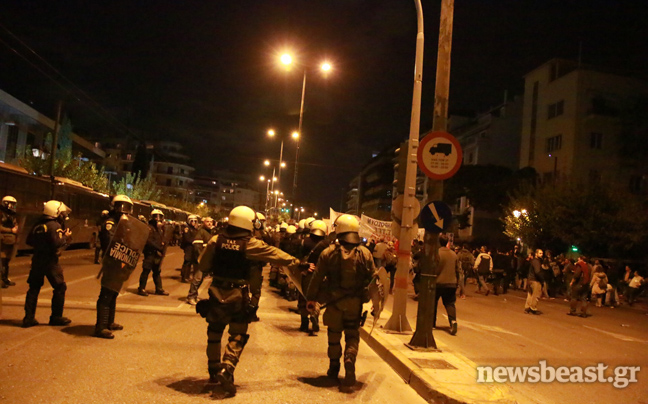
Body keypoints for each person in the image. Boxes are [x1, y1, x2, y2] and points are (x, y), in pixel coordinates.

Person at [196, 205, 306, 396]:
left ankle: (213, 371)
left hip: (216, 291)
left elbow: (202, 264)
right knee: (237, 334)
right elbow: (275, 254)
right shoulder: (250, 244)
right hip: (237, 294)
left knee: (214, 332)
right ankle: (227, 368)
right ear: (248, 223)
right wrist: (297, 263)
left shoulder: (216, 240)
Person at [305, 214, 378, 387]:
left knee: (334, 336)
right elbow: (374, 280)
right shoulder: (365, 253)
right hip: (355, 304)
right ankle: (350, 358)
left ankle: (333, 370)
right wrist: (375, 304)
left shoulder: (328, 253)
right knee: (352, 334)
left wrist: (311, 299)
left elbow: (316, 278)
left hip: (334, 303)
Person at [23, 200, 72, 328]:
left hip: (37, 259)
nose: (63, 215)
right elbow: (57, 243)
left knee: (34, 288)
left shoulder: (38, 225)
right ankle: (56, 316)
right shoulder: (54, 226)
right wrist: (65, 237)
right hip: (50, 261)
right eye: (61, 213)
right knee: (60, 287)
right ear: (55, 212)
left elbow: (29, 241)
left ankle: (28, 318)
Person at [95, 195, 135, 339]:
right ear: (114, 207)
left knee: (113, 293)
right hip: (112, 262)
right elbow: (110, 241)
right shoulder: (110, 222)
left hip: (120, 262)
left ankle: (109, 322)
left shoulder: (122, 223)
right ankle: (100, 327)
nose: (123, 211)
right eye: (120, 206)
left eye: (126, 208)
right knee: (106, 294)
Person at [296, 219, 329, 334]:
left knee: (303, 297)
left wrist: (304, 266)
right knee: (317, 297)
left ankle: (304, 323)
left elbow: (298, 258)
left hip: (307, 273)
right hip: (321, 275)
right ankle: (315, 315)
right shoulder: (327, 244)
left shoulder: (304, 242)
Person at [137, 209, 169, 296]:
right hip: (150, 253)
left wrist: (163, 248)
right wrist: (159, 248)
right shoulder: (149, 227)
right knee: (146, 271)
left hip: (157, 254)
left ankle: (159, 288)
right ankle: (141, 288)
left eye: (160, 217)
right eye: (156, 216)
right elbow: (149, 241)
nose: (158, 219)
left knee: (157, 272)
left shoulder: (160, 229)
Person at [186, 216, 217, 305]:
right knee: (197, 278)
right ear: (204, 222)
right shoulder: (201, 232)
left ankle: (194, 296)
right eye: (207, 222)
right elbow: (197, 247)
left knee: (201, 278)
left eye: (211, 222)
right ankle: (191, 297)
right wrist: (200, 259)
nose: (210, 223)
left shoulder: (210, 232)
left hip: (206, 259)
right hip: (201, 259)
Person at [434, 233, 459, 335]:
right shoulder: (454, 254)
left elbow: (435, 269)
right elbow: (457, 270)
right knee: (450, 303)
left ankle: (431, 323)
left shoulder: (437, 253)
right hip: (451, 283)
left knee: (433, 302)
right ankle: (453, 322)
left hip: (439, 283)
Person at [1, 196, 19, 287]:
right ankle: (2, 280)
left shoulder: (11, 214)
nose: (13, 206)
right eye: (11, 204)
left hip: (10, 241)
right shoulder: (1, 213)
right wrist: (10, 230)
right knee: (2, 261)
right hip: (3, 241)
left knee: (6, 261)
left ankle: (5, 279)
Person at [180, 215, 200, 283]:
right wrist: (194, 241)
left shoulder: (195, 229)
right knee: (187, 262)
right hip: (189, 247)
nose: (193, 222)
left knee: (193, 262)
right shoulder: (187, 228)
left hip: (193, 247)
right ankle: (184, 277)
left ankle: (189, 276)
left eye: (195, 221)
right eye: (192, 221)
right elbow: (187, 239)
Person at [524, 249, 544, 315]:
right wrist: (542, 279)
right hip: (535, 280)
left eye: (542, 253)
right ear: (536, 254)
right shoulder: (536, 261)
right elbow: (537, 271)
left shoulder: (533, 261)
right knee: (536, 295)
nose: (541, 254)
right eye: (540, 253)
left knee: (530, 294)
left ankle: (527, 308)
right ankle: (533, 308)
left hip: (530, 279)